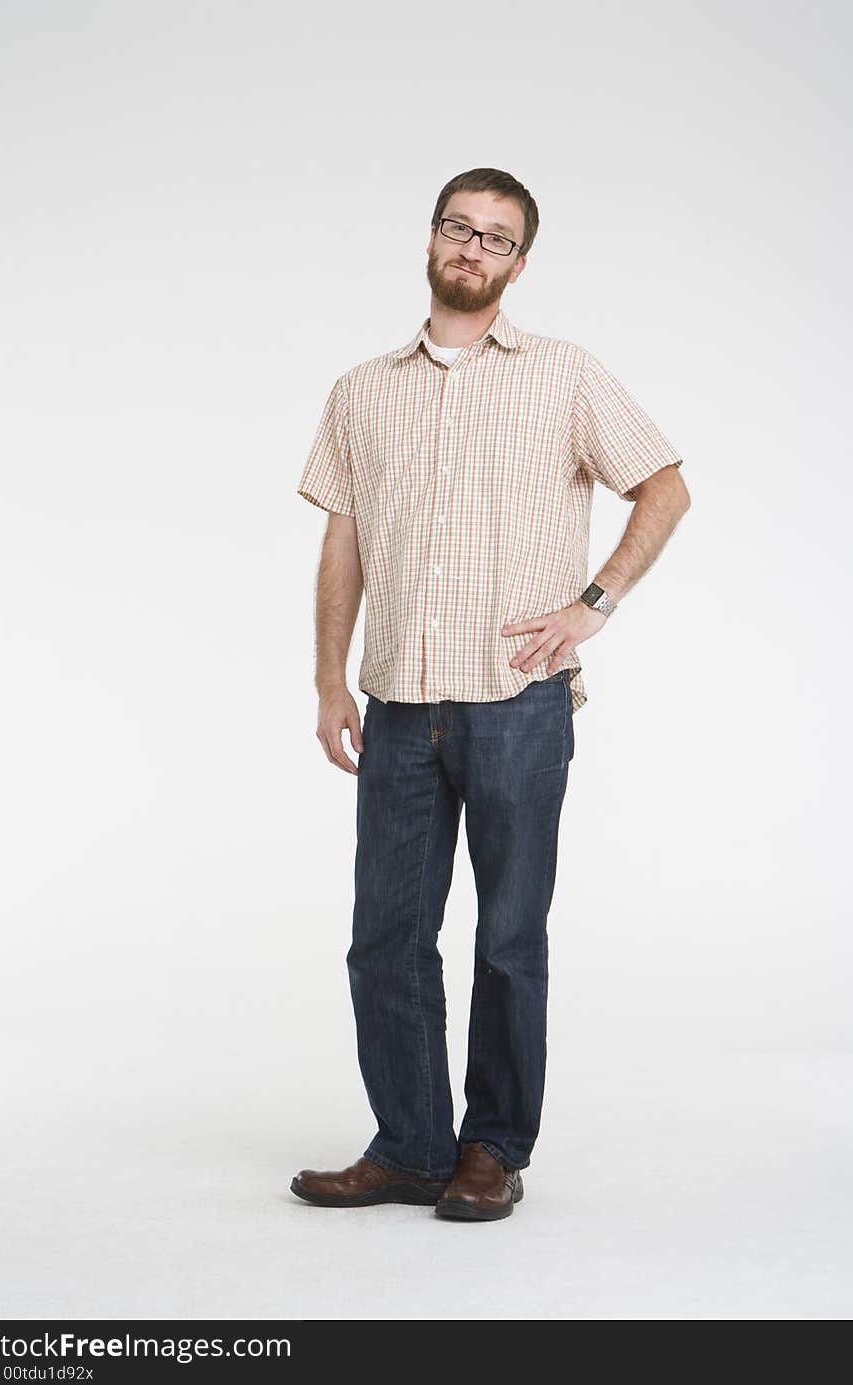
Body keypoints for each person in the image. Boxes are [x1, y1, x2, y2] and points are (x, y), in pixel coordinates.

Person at [291, 167, 690, 1222]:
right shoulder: (359, 390)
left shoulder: (564, 374)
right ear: (430, 239)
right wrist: (331, 677)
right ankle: (411, 1144)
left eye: (498, 239)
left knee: (508, 935)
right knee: (384, 935)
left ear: (518, 262)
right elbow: (342, 541)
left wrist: (592, 603)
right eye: (459, 229)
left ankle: (492, 1148)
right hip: (397, 704)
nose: (473, 249)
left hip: (516, 703)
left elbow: (664, 485)